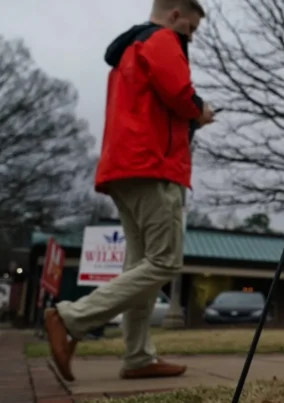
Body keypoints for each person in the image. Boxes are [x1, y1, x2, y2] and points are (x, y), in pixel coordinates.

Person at [43, 0, 215, 382]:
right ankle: (69, 317)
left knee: (141, 267)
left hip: (125, 166)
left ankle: (138, 356)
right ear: (174, 15)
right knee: (165, 262)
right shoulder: (162, 40)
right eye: (191, 28)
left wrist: (189, 120)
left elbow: (157, 106)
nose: (191, 36)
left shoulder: (130, 50)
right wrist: (200, 111)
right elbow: (180, 93)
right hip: (153, 167)